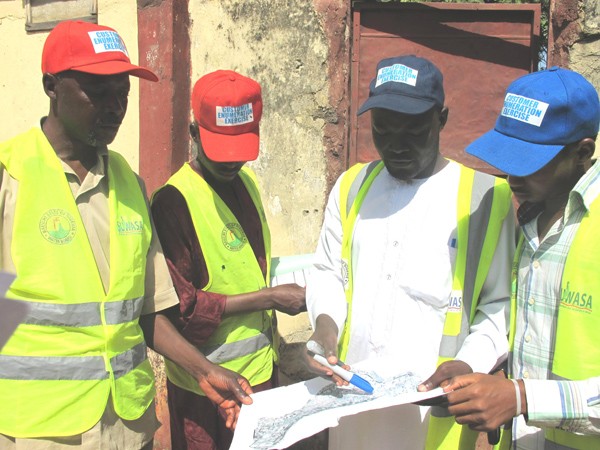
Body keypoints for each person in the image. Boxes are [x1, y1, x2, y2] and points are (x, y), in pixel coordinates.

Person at [0, 21, 252, 450]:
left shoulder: (130, 185)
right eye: (97, 93)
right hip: (41, 431)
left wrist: (204, 370)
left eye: (123, 94)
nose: (115, 107)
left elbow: (150, 312)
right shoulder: (12, 178)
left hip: (129, 427)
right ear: (51, 87)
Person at [304, 55, 516, 450]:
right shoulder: (352, 186)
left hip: (434, 416)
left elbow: (499, 306)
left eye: (414, 131)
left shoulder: (486, 199)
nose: (396, 146)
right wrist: (326, 325)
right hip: (355, 406)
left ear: (442, 119)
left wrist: (470, 363)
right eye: (383, 131)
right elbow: (328, 270)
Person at [440, 67, 600, 449]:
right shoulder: (530, 219)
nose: (512, 176)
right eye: (507, 157)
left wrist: (521, 398)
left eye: (530, 162)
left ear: (582, 152)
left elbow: (522, 393)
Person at [150, 69, 306, 450]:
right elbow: (181, 308)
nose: (232, 164)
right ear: (193, 133)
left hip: (259, 376)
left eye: (240, 153)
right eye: (221, 152)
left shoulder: (247, 183)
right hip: (205, 390)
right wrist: (269, 298)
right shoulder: (174, 202)